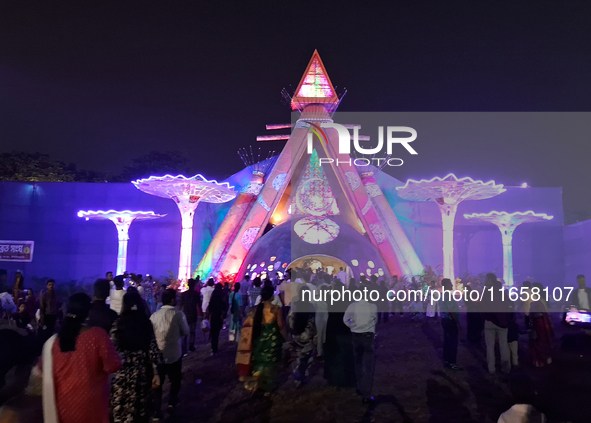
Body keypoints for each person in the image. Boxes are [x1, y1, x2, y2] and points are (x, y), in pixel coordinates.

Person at [41, 293, 121, 423]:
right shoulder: (98, 335)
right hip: (91, 405)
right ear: (88, 312)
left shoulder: (54, 341)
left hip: (63, 403)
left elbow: (43, 371)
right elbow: (113, 365)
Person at [111, 291, 163, 423]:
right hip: (142, 371)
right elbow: (153, 349)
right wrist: (156, 370)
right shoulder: (145, 322)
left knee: (121, 408)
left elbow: (112, 346)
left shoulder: (119, 322)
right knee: (140, 409)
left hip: (122, 370)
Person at [236, 286, 286, 394]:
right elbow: (281, 325)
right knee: (270, 364)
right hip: (272, 341)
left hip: (259, 339)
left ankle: (257, 382)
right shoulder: (276, 309)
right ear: (272, 296)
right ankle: (267, 387)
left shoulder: (254, 310)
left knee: (259, 361)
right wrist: (286, 338)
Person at [150, 289, 189, 415]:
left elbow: (151, 334)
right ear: (172, 300)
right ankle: (172, 402)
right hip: (174, 354)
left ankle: (156, 410)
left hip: (158, 355)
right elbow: (186, 331)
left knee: (158, 382)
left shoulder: (154, 316)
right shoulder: (178, 315)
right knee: (175, 380)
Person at [344, 286, 378, 404]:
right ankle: (366, 393)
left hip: (356, 336)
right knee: (368, 366)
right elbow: (375, 320)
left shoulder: (352, 306)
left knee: (358, 362)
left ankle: (359, 387)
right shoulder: (372, 306)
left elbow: (345, 319)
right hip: (368, 336)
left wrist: (353, 326)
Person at [324, 281, 356, 388]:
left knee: (336, 356)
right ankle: (349, 379)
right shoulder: (348, 299)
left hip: (333, 329)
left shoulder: (330, 299)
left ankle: (338, 380)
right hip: (345, 329)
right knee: (347, 355)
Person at [483, 275, 511, 374]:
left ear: (490, 280)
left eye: (486, 279)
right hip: (502, 322)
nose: (485, 281)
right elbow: (509, 306)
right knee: (503, 345)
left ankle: (491, 368)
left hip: (490, 321)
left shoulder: (486, 292)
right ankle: (505, 368)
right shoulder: (503, 293)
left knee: (490, 347)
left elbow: (483, 307)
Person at [290, 287, 316, 385]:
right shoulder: (311, 307)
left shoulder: (295, 305)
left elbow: (290, 319)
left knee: (298, 355)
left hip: (296, 334)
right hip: (307, 335)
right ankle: (303, 375)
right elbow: (313, 322)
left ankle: (297, 376)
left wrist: (292, 331)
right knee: (307, 356)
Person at [529, 282, 553, 368]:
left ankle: (542, 361)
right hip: (541, 324)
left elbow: (542, 313)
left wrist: (532, 315)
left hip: (540, 325)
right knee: (541, 342)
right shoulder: (539, 300)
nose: (531, 290)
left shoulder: (539, 301)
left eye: (532, 288)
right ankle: (543, 361)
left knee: (540, 342)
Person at [440, 278, 461, 370]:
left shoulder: (442, 295)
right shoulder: (448, 295)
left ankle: (447, 360)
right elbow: (451, 310)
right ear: (446, 285)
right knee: (453, 341)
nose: (452, 285)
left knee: (447, 341)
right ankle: (452, 362)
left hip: (444, 320)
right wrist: (457, 323)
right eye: (450, 283)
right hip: (450, 320)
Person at [180, 278, 200, 354]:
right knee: (192, 331)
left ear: (188, 285)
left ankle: (184, 348)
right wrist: (201, 314)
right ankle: (191, 347)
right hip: (193, 314)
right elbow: (199, 305)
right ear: (194, 285)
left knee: (184, 332)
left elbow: (181, 306)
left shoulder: (184, 294)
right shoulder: (196, 294)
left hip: (185, 314)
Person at [206, 283, 227, 354]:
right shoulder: (222, 295)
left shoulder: (213, 295)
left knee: (213, 332)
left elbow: (210, 305)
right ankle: (215, 347)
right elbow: (224, 306)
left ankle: (213, 347)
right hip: (219, 315)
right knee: (217, 332)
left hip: (213, 315)